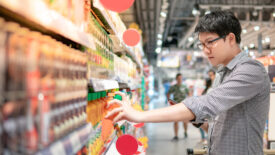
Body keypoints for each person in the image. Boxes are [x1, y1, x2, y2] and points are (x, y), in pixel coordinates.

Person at [106, 11, 270, 155]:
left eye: (210, 42)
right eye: (202, 44)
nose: (205, 50)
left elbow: (208, 104)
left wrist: (138, 115)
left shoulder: (251, 70)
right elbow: (217, 123)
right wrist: (197, 120)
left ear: (231, 38)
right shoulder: (222, 74)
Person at [166, 73, 189, 140]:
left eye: (181, 78)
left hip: (184, 106)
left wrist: (189, 100)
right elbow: (168, 93)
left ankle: (185, 131)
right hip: (176, 106)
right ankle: (176, 135)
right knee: (175, 121)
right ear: (176, 79)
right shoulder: (173, 87)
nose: (180, 80)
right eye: (178, 78)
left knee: (185, 121)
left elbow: (189, 93)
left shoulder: (185, 86)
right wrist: (169, 101)